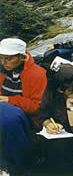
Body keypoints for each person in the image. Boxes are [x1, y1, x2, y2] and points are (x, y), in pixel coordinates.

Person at [0, 38, 47, 174]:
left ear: (21, 57)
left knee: (10, 117)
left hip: (25, 122)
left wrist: (11, 100)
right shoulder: (2, 70)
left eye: (8, 59)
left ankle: (12, 166)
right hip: (5, 116)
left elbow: (38, 106)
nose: (4, 63)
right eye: (1, 58)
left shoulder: (37, 74)